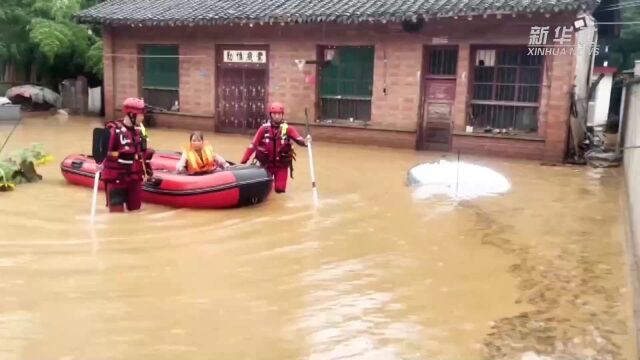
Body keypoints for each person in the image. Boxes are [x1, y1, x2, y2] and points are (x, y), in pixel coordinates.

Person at [240, 102, 309, 193]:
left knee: (279, 190)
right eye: (274, 114)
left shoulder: (288, 129)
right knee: (264, 191)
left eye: (279, 114)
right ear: (270, 115)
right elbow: (253, 145)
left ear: (282, 114)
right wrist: (243, 161)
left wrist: (305, 142)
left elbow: (298, 139)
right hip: (266, 166)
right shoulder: (263, 129)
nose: (277, 116)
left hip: (281, 166)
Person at [100, 97, 154, 212]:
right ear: (131, 114)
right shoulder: (113, 131)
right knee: (116, 215)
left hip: (134, 179)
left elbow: (143, 154)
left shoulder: (142, 131)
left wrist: (148, 171)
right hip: (117, 179)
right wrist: (99, 162)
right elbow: (103, 152)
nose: (143, 118)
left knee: (135, 212)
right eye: (141, 115)